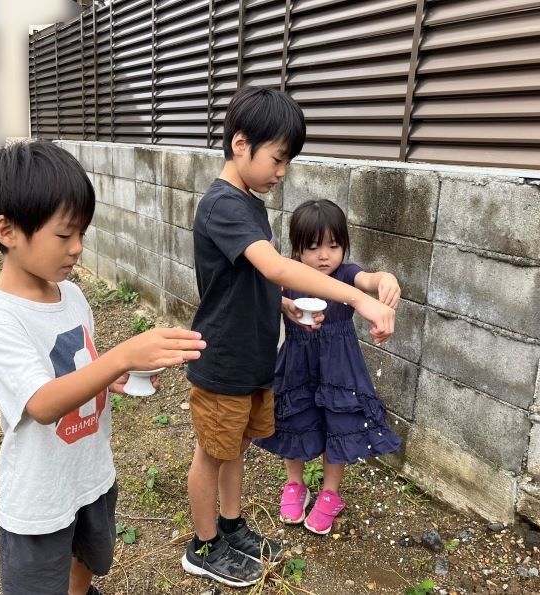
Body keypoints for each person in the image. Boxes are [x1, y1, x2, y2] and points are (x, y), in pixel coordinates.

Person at [0, 140, 206, 595]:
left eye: (82, 233)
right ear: (8, 230)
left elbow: (80, 370)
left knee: (88, 556)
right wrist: (120, 356)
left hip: (90, 473)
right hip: (40, 495)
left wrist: (111, 376)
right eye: (64, 235)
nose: (78, 248)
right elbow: (40, 403)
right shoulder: (0, 315)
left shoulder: (72, 297)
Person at [182, 87, 396, 588]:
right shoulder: (222, 205)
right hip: (224, 359)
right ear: (241, 144)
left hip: (254, 358)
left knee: (235, 448)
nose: (283, 172)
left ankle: (231, 528)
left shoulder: (251, 206)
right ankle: (203, 544)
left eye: (288, 161)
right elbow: (277, 266)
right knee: (212, 453)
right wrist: (358, 299)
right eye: (279, 158)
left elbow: (254, 280)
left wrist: (284, 305)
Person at [254, 199, 402, 536]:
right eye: (313, 247)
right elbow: (263, 295)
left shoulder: (347, 274)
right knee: (294, 420)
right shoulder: (288, 275)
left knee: (338, 424)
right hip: (296, 363)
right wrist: (282, 303)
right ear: (297, 250)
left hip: (340, 368)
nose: (324, 256)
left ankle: (330, 493)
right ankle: (295, 484)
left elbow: (370, 278)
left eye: (333, 246)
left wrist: (386, 278)